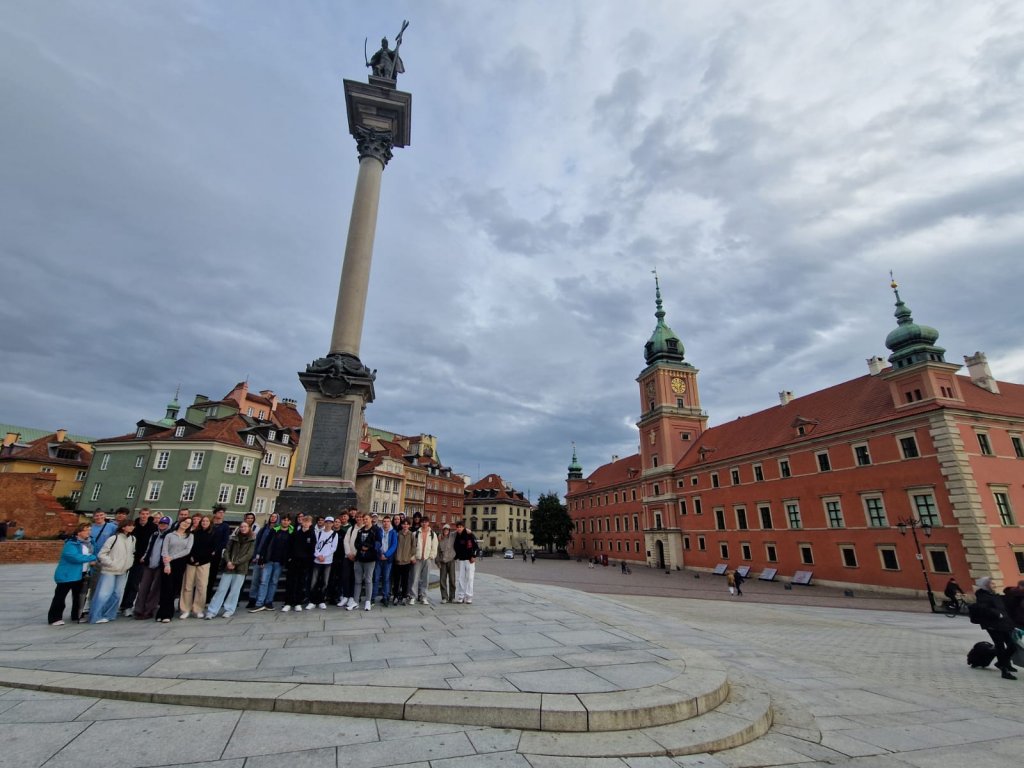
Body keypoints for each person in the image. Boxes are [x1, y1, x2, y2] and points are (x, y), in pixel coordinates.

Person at [47, 523, 97, 626]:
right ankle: (54, 618)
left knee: (79, 596)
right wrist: (91, 558)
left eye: (90, 530)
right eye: (86, 530)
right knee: (60, 596)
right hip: (68, 574)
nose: (89, 532)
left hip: (82, 573)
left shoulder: (90, 542)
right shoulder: (71, 543)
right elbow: (74, 557)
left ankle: (76, 615)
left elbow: (94, 552)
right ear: (79, 532)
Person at [89, 518, 136, 624]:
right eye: (129, 525)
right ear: (123, 527)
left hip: (122, 570)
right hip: (109, 570)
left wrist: (129, 563)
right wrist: (112, 563)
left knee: (117, 594)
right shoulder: (113, 538)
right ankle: (96, 616)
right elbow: (102, 554)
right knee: (104, 594)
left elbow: (132, 553)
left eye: (133, 525)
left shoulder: (132, 539)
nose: (132, 527)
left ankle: (109, 614)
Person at [206, 521, 255, 619]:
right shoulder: (233, 539)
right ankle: (212, 610)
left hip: (241, 568)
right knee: (221, 589)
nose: (243, 528)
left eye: (245, 526)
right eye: (241, 527)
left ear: (249, 528)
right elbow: (226, 551)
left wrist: (235, 563)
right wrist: (228, 562)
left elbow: (248, 555)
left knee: (235, 591)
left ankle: (229, 609)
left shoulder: (252, 541)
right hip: (229, 567)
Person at [973, 576, 1017, 680]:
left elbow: (1003, 608)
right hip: (992, 625)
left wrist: (1010, 622)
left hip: (1003, 624)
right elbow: (984, 608)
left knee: (1012, 646)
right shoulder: (982, 596)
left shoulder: (993, 594)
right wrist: (997, 614)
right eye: (992, 583)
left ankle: (1002, 663)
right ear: (985, 585)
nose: (994, 585)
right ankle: (1004, 671)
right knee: (1000, 646)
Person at [250, 514, 293, 612]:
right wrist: (262, 557)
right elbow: (265, 544)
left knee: (274, 582)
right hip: (269, 560)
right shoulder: (274, 530)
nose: (285, 522)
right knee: (264, 581)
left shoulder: (291, 533)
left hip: (280, 562)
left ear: (290, 522)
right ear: (281, 521)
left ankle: (269, 602)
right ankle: (259, 603)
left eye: (287, 520)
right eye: (284, 520)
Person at [133, 516, 172, 619]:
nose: (162, 525)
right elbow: (149, 547)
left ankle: (149, 610)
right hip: (149, 564)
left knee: (154, 589)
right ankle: (138, 609)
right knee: (143, 588)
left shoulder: (169, 535)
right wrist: (145, 557)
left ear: (169, 525)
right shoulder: (154, 534)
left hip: (160, 565)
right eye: (161, 523)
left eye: (165, 524)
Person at [156, 517, 193, 623]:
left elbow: (187, 550)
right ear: (180, 522)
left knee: (172, 590)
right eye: (185, 522)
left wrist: (172, 557)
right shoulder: (170, 535)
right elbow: (164, 550)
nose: (186, 524)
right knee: (165, 589)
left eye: (188, 523)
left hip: (179, 564)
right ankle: (161, 613)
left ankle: (168, 614)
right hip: (167, 564)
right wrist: (167, 564)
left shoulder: (190, 536)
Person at [121, 508, 156, 615]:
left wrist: (146, 556)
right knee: (125, 582)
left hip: (142, 559)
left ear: (149, 515)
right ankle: (123, 605)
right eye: (142, 514)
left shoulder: (153, 527)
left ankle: (129, 606)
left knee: (135, 583)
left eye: (146, 514)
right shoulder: (134, 525)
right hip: (128, 557)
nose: (144, 516)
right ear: (139, 514)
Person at [82, 509, 117, 615]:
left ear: (105, 515)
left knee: (104, 584)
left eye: (101, 515)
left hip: (105, 559)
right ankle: (89, 605)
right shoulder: (90, 528)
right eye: (97, 515)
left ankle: (102, 606)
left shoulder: (112, 527)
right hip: (92, 559)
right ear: (93, 517)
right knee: (91, 584)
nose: (99, 517)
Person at [180, 515, 215, 618]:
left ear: (210, 523)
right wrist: (192, 558)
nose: (204, 522)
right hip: (191, 562)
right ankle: (185, 609)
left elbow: (212, 550)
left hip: (204, 563)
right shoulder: (194, 533)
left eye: (207, 521)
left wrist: (200, 561)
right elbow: (189, 547)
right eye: (203, 521)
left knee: (202, 587)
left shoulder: (213, 534)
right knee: (187, 586)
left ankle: (198, 609)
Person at [246, 512, 279, 609]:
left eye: (275, 517)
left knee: (265, 580)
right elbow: (257, 542)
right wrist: (256, 554)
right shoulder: (264, 529)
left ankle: (264, 600)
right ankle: (252, 599)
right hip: (259, 556)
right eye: (272, 516)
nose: (273, 518)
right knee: (255, 579)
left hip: (270, 558)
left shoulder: (278, 530)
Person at [283, 515, 316, 612]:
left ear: (310, 523)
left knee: (301, 583)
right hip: (294, 561)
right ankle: (288, 603)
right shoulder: (295, 534)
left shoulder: (312, 535)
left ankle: (298, 603)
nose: (306, 523)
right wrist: (289, 559)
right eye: (304, 521)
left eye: (308, 522)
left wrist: (308, 561)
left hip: (304, 563)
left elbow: (312, 549)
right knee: (290, 582)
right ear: (301, 522)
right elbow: (289, 547)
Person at [350, 513, 381, 611]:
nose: (365, 520)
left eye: (367, 519)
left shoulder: (376, 530)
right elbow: (356, 543)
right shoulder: (360, 530)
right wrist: (361, 547)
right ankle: (355, 601)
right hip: (359, 558)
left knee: (368, 580)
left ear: (371, 519)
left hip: (370, 559)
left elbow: (378, 543)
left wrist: (368, 547)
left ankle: (368, 601)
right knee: (357, 581)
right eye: (364, 519)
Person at [308, 516, 338, 609]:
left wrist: (324, 556)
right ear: (324, 523)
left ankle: (321, 600)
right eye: (327, 522)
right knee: (314, 581)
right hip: (317, 560)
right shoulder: (319, 533)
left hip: (327, 561)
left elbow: (333, 548)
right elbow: (315, 545)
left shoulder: (334, 534)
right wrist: (318, 555)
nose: (328, 524)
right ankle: (312, 601)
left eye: (330, 522)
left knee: (325, 582)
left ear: (332, 524)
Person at [206, 506, 232, 602]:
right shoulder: (210, 524)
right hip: (206, 552)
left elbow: (225, 541)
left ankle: (207, 598)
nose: (221, 514)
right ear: (215, 513)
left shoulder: (225, 526)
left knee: (211, 576)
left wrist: (216, 550)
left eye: (223, 512)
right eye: (219, 512)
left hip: (216, 554)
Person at [411, 519, 437, 605]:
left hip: (427, 559)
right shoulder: (415, 533)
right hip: (417, 559)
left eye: (425, 522)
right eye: (422, 522)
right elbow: (412, 546)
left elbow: (434, 547)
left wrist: (431, 556)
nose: (424, 523)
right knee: (415, 578)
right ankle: (413, 597)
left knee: (425, 579)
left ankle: (423, 597)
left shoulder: (432, 534)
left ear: (428, 523)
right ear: (420, 523)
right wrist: (413, 557)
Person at [453, 520, 478, 604]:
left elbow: (476, 547)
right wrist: (456, 557)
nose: (459, 528)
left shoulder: (469, 534)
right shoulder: (457, 536)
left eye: (460, 527)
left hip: (470, 560)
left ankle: (469, 596)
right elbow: (456, 547)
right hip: (462, 560)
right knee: (461, 578)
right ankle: (461, 596)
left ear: (463, 527)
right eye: (457, 527)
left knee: (470, 578)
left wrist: (474, 556)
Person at [391, 518, 413, 605]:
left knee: (405, 580)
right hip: (398, 560)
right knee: (396, 580)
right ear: (401, 525)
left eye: (407, 524)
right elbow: (394, 545)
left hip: (406, 561)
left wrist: (411, 556)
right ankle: (395, 596)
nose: (405, 525)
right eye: (404, 524)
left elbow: (413, 547)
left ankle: (404, 596)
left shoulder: (411, 534)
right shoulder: (398, 534)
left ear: (409, 525)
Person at [435, 523, 456, 603]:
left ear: (449, 530)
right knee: (442, 580)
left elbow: (460, 530)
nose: (446, 531)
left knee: (452, 579)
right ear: (443, 530)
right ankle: (444, 597)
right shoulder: (439, 538)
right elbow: (437, 551)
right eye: (445, 529)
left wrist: (467, 530)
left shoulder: (453, 536)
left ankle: (452, 597)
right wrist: (437, 562)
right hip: (442, 561)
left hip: (451, 560)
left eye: (447, 529)